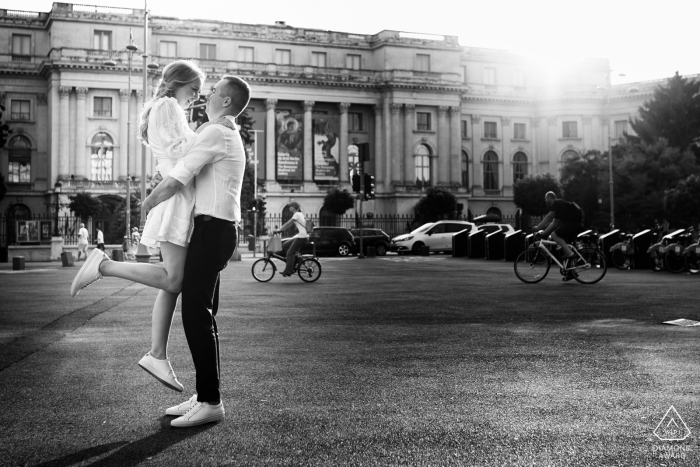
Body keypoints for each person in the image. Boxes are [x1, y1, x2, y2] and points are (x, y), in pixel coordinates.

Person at [73, 73, 250, 428]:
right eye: (201, 88)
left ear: (226, 100)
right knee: (201, 311)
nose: (206, 94)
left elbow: (179, 174)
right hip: (213, 229)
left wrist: (150, 201)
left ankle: (210, 400)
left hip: (213, 228)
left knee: (198, 316)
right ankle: (204, 395)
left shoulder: (216, 132)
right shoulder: (215, 130)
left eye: (212, 91)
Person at [70, 60, 206, 394]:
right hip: (178, 200)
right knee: (173, 278)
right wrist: (209, 137)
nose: (197, 96)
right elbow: (181, 152)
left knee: (172, 283)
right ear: (178, 83)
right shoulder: (169, 106)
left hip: (180, 198)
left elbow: (172, 157)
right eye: (195, 88)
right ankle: (104, 265)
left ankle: (158, 354)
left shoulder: (167, 107)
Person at [534, 191, 584, 282]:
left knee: (554, 235)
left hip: (573, 224)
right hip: (575, 224)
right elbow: (553, 223)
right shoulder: (558, 208)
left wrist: (538, 227)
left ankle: (571, 254)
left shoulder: (556, 203)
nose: (545, 200)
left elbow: (548, 217)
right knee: (564, 247)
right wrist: (544, 233)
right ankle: (571, 273)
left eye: (546, 198)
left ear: (550, 198)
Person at [274, 202, 309, 277]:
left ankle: (289, 270)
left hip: (302, 237)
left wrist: (279, 230)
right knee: (285, 245)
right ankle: (296, 260)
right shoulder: (300, 214)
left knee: (289, 253)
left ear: (294, 207)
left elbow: (288, 224)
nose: (289, 208)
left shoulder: (297, 214)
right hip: (302, 236)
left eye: (290, 206)